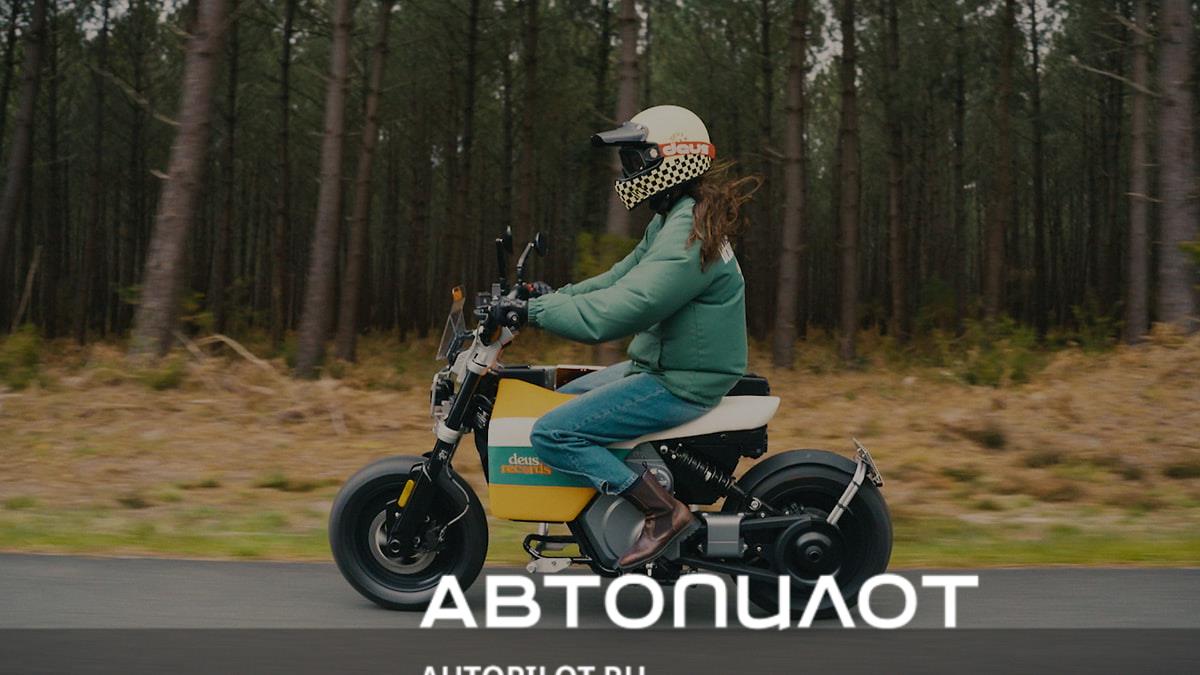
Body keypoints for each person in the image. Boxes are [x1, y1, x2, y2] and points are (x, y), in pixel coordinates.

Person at [508, 105, 758, 569]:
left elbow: (624, 308)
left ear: (672, 158)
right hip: (664, 366)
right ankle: (600, 516)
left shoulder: (688, 234)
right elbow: (618, 278)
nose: (628, 172)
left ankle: (662, 511)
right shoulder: (674, 220)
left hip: (681, 381)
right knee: (561, 397)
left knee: (553, 432)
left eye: (636, 159)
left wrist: (535, 313)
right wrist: (551, 296)